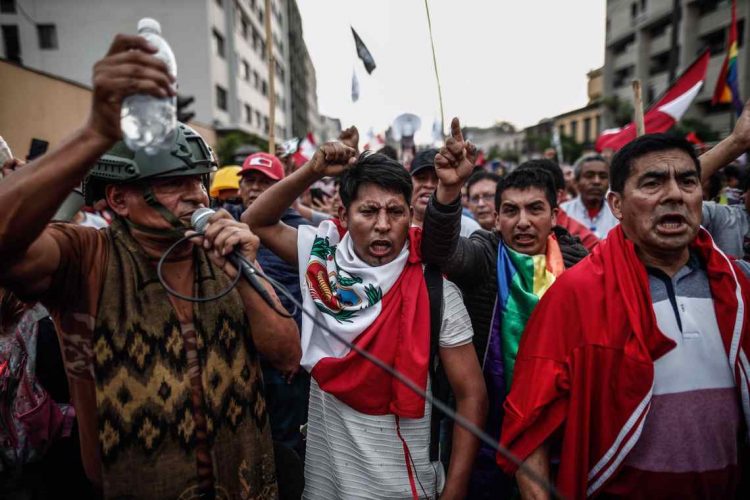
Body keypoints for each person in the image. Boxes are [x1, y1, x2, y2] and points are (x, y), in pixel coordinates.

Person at [0, 35, 300, 499]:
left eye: (197, 182)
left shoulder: (221, 255)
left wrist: (246, 270)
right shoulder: (85, 256)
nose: (196, 196)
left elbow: (287, 355)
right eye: (172, 184)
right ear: (119, 199)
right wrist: (95, 134)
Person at [499, 133, 750, 499]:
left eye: (688, 181)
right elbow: (527, 425)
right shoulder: (574, 295)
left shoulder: (738, 286)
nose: (674, 195)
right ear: (616, 205)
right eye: (652, 183)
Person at [243, 139, 487, 499]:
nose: (383, 225)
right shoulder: (321, 262)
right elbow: (256, 220)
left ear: (410, 215)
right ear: (343, 215)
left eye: (395, 212)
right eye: (369, 211)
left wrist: (454, 491)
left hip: (405, 485)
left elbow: (473, 397)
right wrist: (312, 170)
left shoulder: (434, 290)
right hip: (327, 483)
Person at [421, 118, 588, 499]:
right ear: (496, 219)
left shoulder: (581, 266)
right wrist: (448, 189)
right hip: (485, 429)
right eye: (511, 211)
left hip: (559, 426)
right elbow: (440, 252)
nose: (523, 222)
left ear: (555, 216)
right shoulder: (483, 253)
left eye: (535, 209)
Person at [518, 159, 599, 251]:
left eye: (535, 207)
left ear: (557, 196)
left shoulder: (585, 241)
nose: (523, 223)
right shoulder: (505, 234)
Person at [410, 148, 480, 237]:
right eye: (421, 178)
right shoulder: (398, 228)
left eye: (437, 179)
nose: (429, 185)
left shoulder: (469, 230)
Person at [560, 154, 619, 239]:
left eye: (603, 176)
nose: (597, 181)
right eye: (589, 176)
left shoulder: (618, 215)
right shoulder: (564, 212)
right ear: (576, 182)